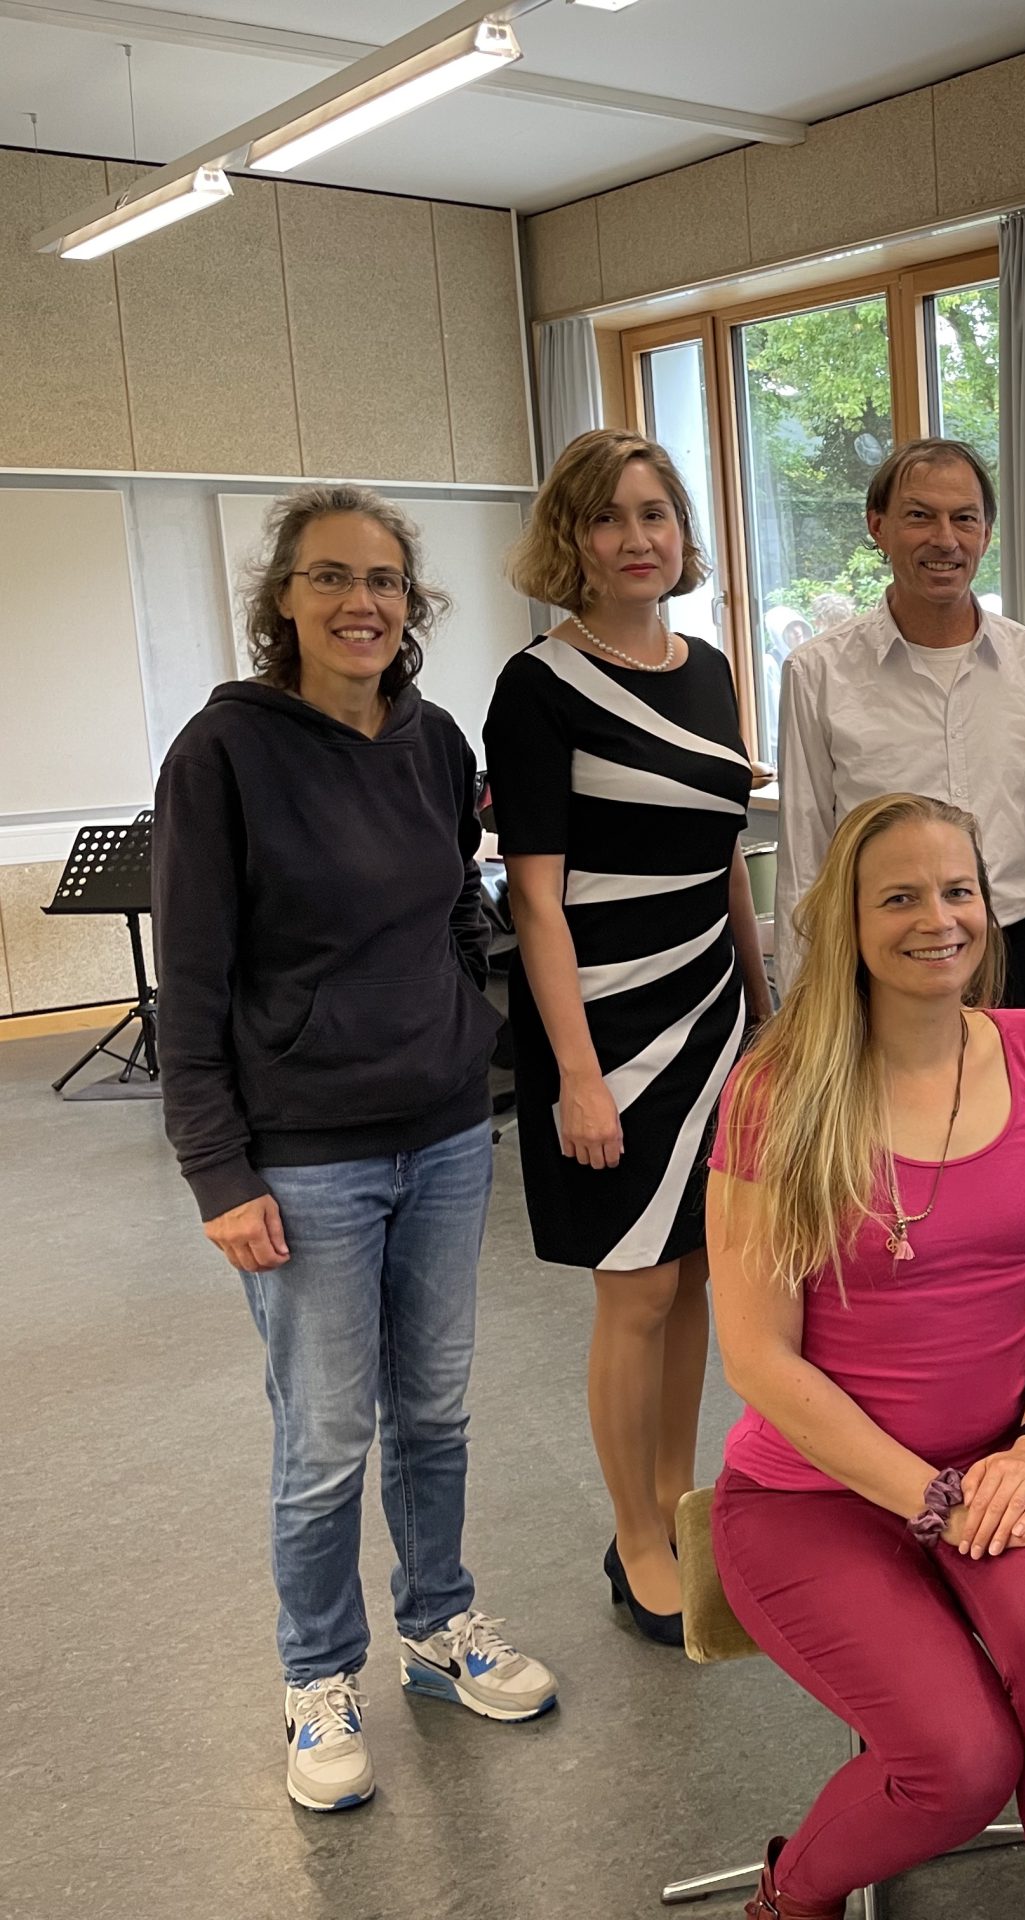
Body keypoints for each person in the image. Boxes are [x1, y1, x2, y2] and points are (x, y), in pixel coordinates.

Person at [153, 485, 557, 1814]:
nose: (360, 602)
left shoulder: (434, 742)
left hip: (441, 1133)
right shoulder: (224, 754)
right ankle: (317, 1676)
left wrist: (466, 1028)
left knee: (434, 1411)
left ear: (410, 602)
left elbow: (453, 910)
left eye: (383, 579)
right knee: (325, 1435)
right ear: (283, 599)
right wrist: (220, 1172)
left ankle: (437, 1627)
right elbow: (192, 983)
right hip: (304, 1153)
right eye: (330, 577)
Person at [708, 792, 1025, 1920]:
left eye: (958, 891)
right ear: (846, 922)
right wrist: (936, 1497)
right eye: (899, 897)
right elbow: (757, 1358)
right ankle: (791, 1896)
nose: (938, 921)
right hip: (812, 1497)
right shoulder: (775, 1090)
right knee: (960, 1763)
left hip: (1006, 1469)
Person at [483, 428, 772, 1646]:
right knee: (635, 1286)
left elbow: (726, 858)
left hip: (710, 1010)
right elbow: (535, 898)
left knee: (696, 1270)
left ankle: (673, 1504)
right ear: (572, 539)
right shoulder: (537, 685)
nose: (636, 538)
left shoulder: (709, 669)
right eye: (606, 517)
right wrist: (577, 1078)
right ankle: (636, 1536)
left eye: (655, 513)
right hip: (603, 1017)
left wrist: (765, 1011)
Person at [773, 437, 1025, 1001]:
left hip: (1020, 958)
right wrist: (802, 1006)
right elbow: (803, 855)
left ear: (986, 533)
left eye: (964, 518)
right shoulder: (818, 673)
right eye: (920, 516)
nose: (945, 539)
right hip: (885, 960)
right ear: (878, 526)